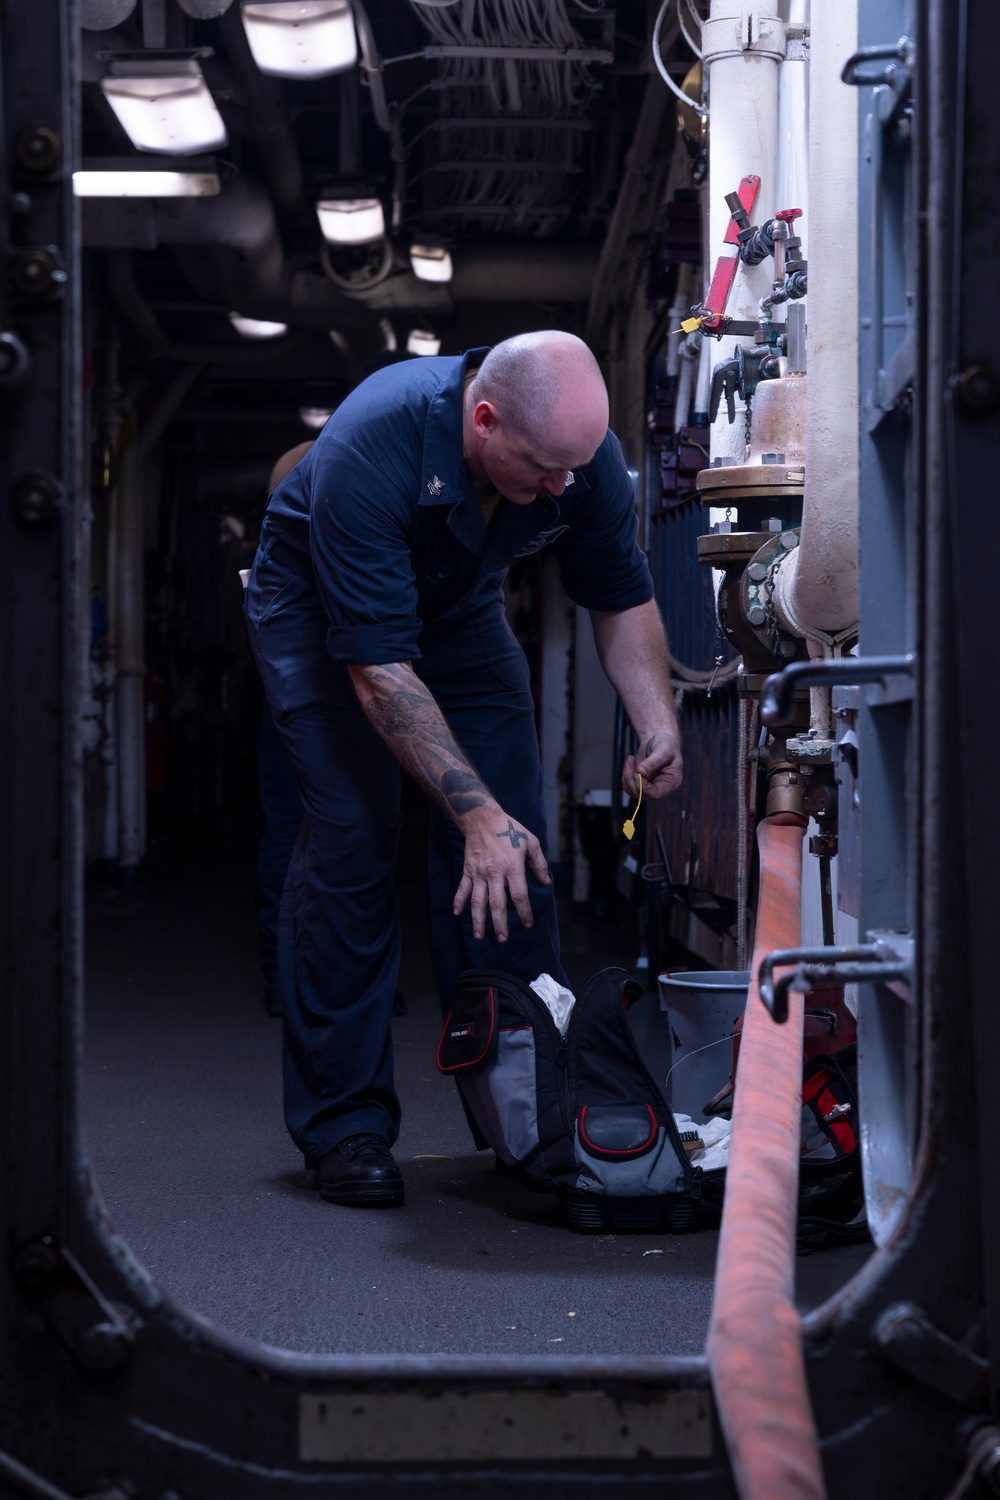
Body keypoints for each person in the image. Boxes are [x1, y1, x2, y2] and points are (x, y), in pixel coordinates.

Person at [244, 331, 682, 1208]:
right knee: (353, 839)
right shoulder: (376, 437)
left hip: (456, 605)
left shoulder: (579, 456)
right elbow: (379, 670)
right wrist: (469, 816)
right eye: (547, 469)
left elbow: (621, 594)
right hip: (324, 621)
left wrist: (655, 716)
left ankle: (527, 1108)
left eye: (576, 468)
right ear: (483, 421)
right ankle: (347, 1127)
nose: (565, 486)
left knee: (516, 845)